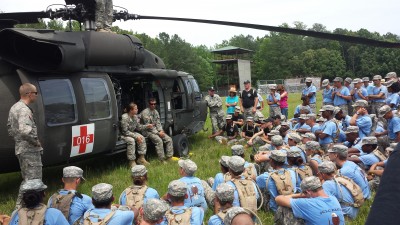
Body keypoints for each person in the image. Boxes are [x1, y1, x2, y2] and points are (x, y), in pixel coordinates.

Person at [7, 83, 43, 209]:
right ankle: (21, 210)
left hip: (21, 149)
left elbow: (10, 129)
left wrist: (19, 141)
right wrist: (36, 142)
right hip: (29, 151)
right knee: (32, 182)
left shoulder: (14, 108)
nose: (36, 95)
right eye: (35, 93)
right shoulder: (24, 109)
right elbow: (25, 130)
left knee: (28, 180)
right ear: (29, 94)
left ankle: (23, 210)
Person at [275, 176, 345, 225]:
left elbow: (278, 199)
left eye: (304, 193)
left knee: (283, 208)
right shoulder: (333, 198)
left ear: (308, 192)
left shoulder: (307, 203)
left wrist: (295, 195)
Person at [140, 98, 173, 162]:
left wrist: (160, 130)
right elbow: (148, 127)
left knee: (169, 139)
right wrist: (158, 133)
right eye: (151, 104)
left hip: (155, 130)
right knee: (159, 141)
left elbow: (158, 123)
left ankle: (169, 157)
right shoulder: (145, 112)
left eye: (154, 104)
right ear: (149, 104)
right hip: (146, 131)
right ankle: (162, 160)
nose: (153, 105)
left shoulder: (156, 112)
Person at [120, 103, 149, 167]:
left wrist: (147, 126)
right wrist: (136, 137)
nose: (137, 110)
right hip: (123, 134)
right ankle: (132, 162)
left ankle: (141, 158)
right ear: (131, 110)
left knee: (142, 138)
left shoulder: (135, 117)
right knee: (131, 140)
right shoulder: (124, 117)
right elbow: (125, 132)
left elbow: (138, 127)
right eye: (136, 109)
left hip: (131, 132)